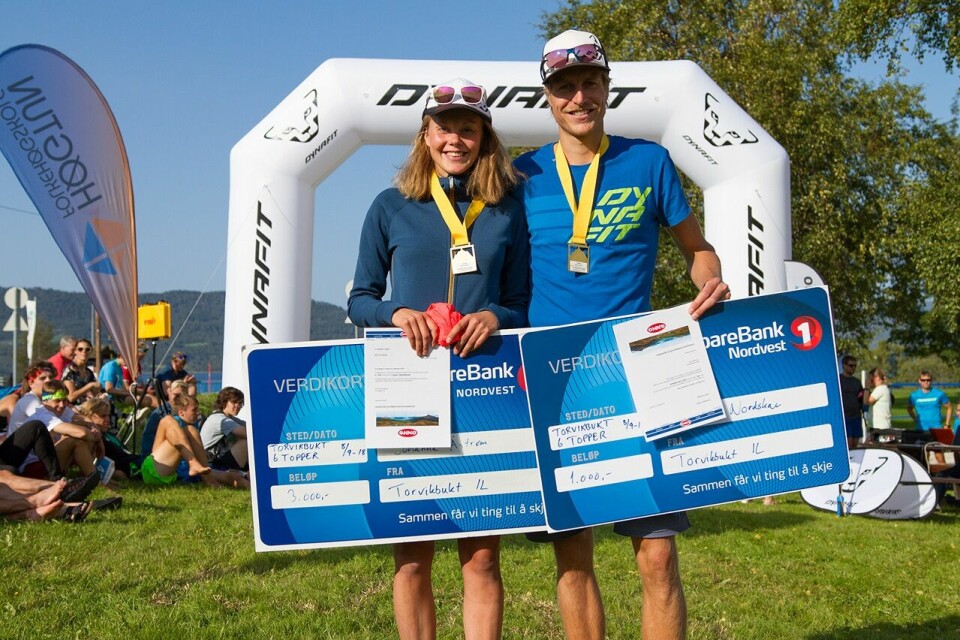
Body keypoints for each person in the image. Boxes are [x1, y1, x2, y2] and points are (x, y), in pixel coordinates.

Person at [513, 30, 729, 640]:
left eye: (589, 84)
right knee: (572, 552)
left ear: (607, 89)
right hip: (557, 380)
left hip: (643, 373)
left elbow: (698, 249)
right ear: (548, 98)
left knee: (657, 554)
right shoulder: (520, 174)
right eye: (564, 88)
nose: (577, 98)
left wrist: (709, 280)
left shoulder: (649, 160)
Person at [348, 77, 528, 640]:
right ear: (425, 135)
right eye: (444, 127)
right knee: (412, 555)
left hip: (482, 385)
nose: (456, 138)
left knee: (480, 557)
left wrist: (495, 316)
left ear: (484, 137)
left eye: (468, 128)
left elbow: (521, 301)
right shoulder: (389, 205)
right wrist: (395, 315)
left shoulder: (505, 207)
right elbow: (360, 298)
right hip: (411, 384)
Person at [140, 394, 248, 489]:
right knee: (170, 421)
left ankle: (258, 490)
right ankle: (194, 464)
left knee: (232, 477)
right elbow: (154, 449)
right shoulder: (171, 422)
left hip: (179, 472)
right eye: (194, 410)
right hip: (155, 469)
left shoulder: (192, 427)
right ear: (181, 412)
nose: (198, 413)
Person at [200, 386, 248, 471]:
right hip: (211, 462)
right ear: (224, 402)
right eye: (234, 402)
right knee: (246, 442)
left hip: (217, 458)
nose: (238, 406)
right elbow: (248, 434)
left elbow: (250, 427)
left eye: (240, 403)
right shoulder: (220, 419)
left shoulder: (229, 418)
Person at [62, 338, 101, 404]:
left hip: (86, 406)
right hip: (71, 409)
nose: (84, 352)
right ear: (75, 351)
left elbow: (96, 393)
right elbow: (71, 398)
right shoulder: (70, 370)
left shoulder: (88, 372)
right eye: (80, 349)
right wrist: (90, 386)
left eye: (87, 349)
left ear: (90, 351)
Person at [838, 355, 864, 449]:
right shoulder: (838, 380)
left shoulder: (857, 382)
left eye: (855, 366)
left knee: (855, 444)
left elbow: (861, 397)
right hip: (845, 417)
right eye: (851, 365)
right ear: (844, 365)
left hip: (856, 416)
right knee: (848, 445)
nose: (853, 368)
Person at [864, 368, 893, 432]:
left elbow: (866, 402)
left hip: (880, 428)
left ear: (877, 378)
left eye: (870, 379)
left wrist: (867, 387)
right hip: (878, 427)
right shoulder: (882, 388)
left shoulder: (880, 389)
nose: (870, 381)